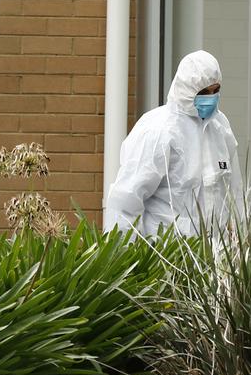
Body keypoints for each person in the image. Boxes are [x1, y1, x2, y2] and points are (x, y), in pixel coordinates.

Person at [104, 50, 243, 236]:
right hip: (165, 255)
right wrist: (126, 257)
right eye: (203, 92)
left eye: (215, 90)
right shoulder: (159, 130)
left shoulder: (220, 127)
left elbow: (235, 191)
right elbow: (127, 200)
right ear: (186, 89)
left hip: (214, 256)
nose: (211, 98)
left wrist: (243, 242)